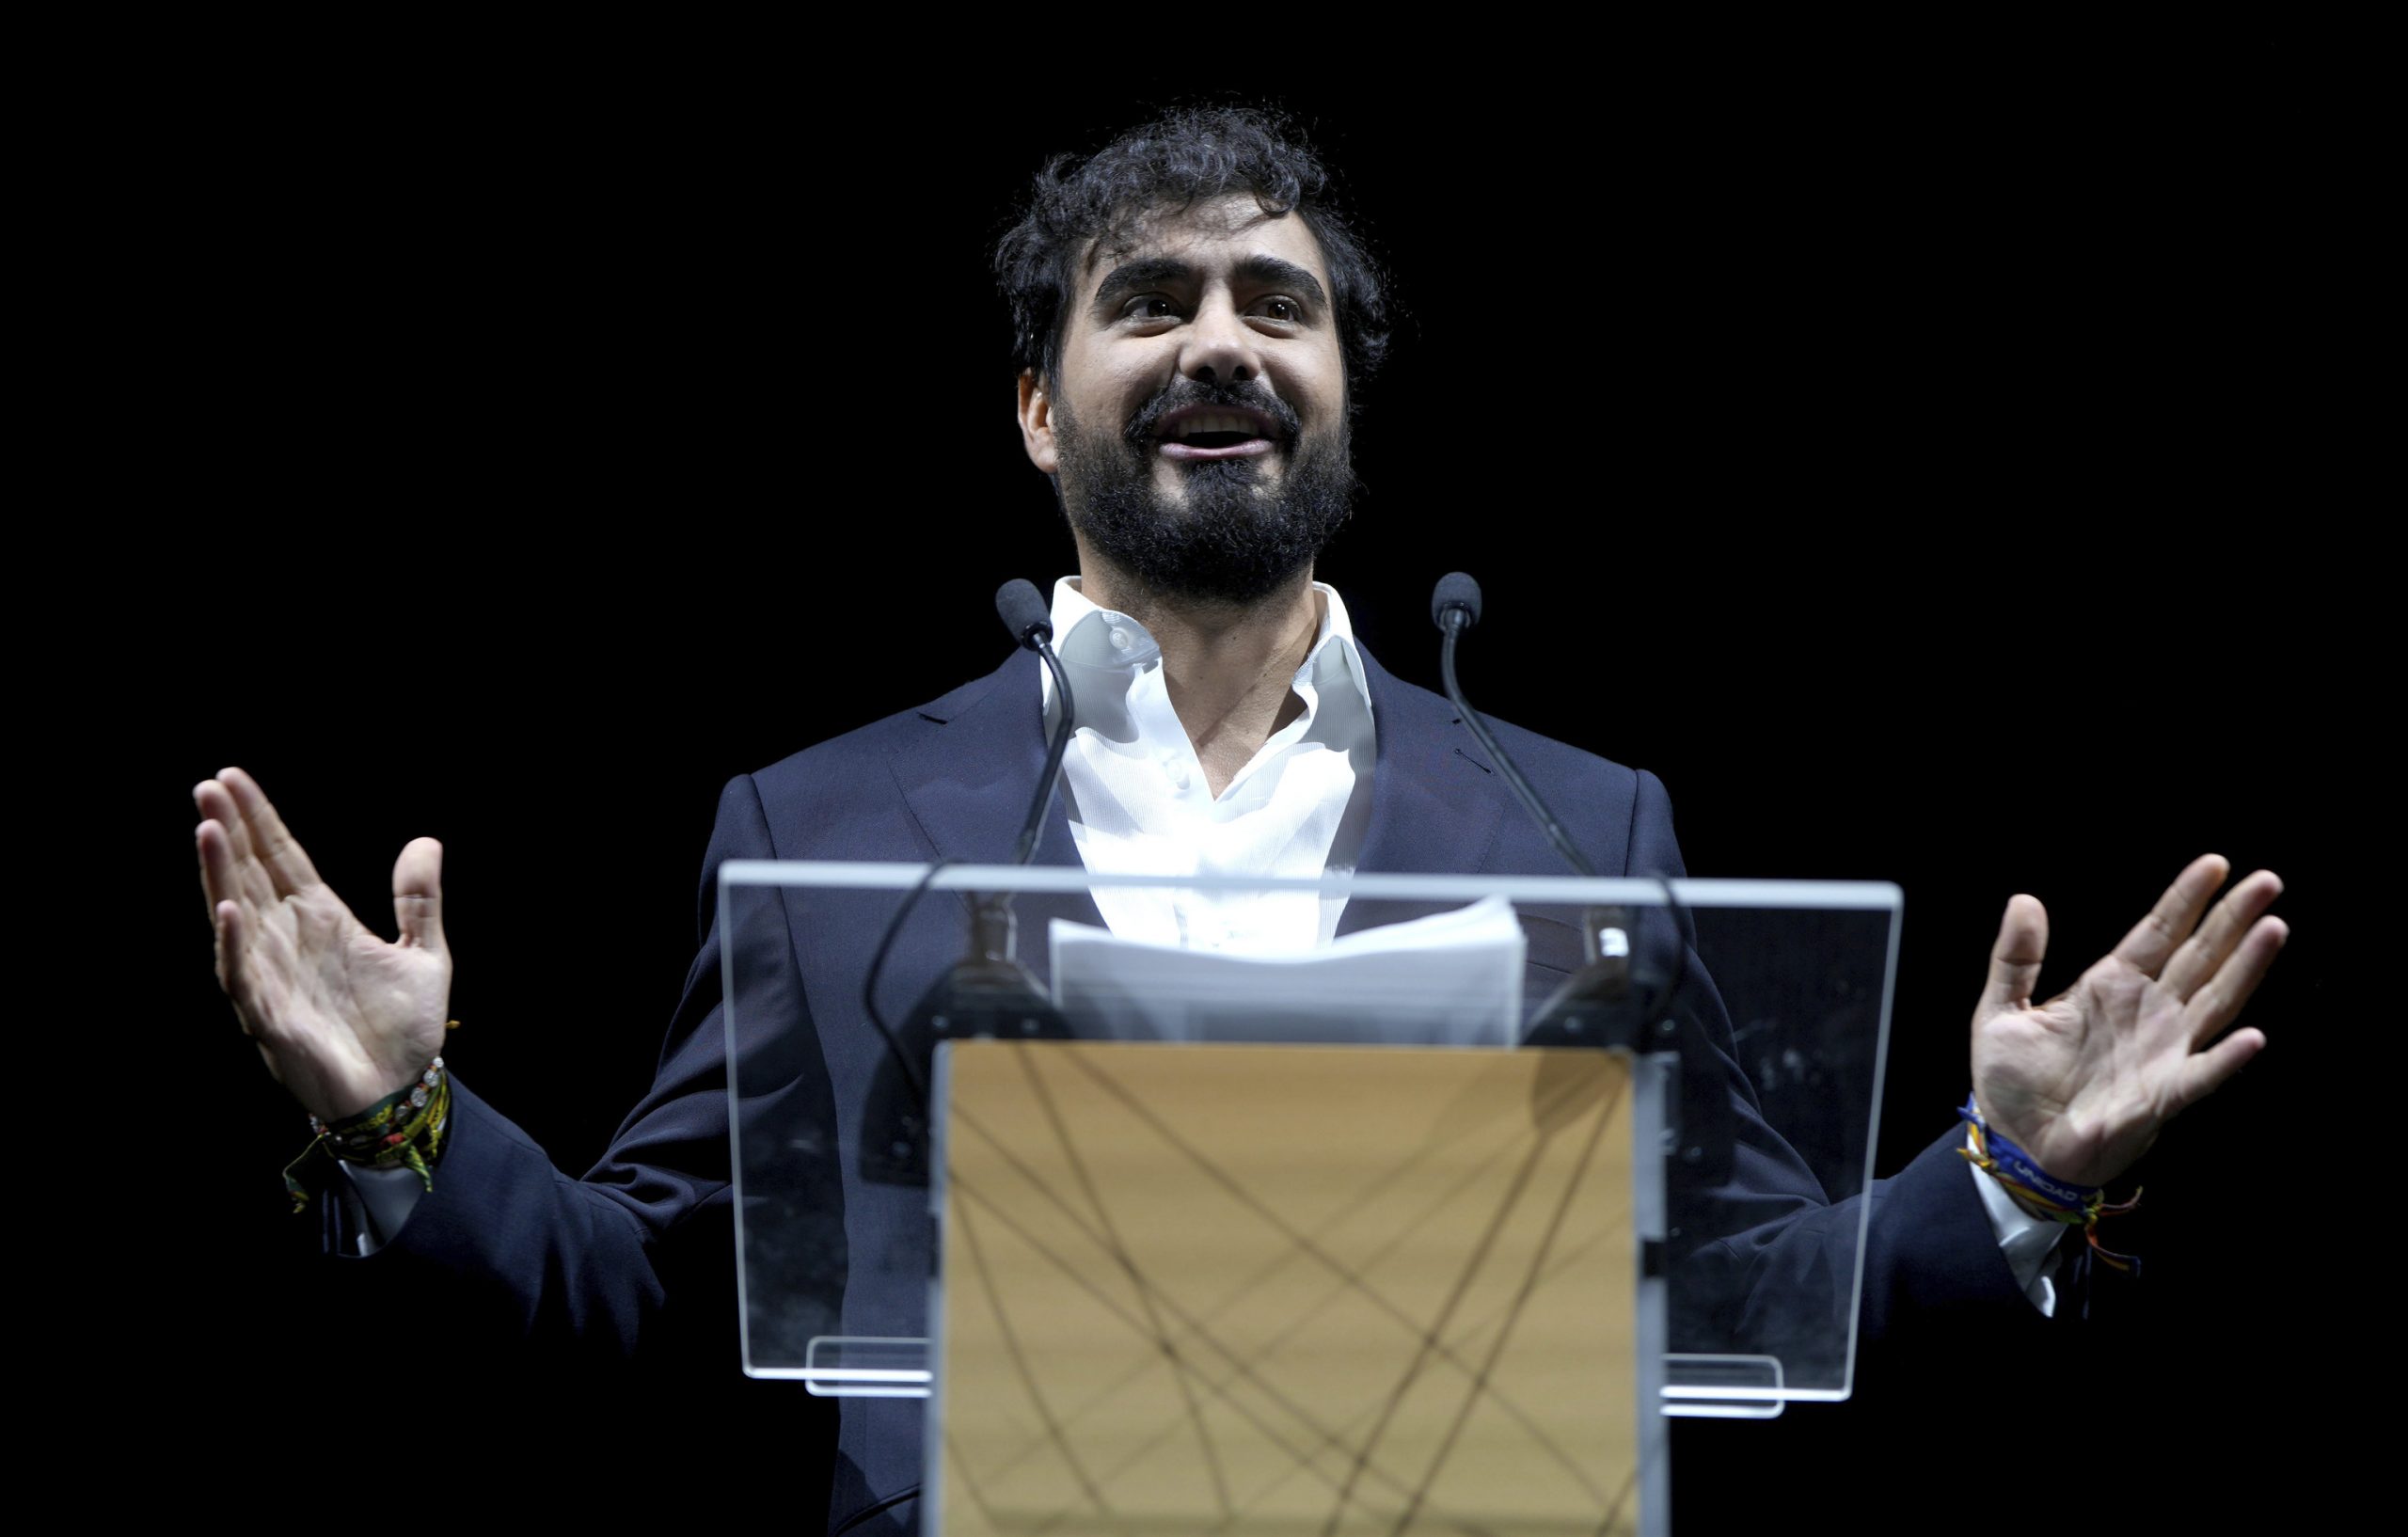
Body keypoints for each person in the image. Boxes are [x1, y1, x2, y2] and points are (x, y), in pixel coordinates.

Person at [193, 107, 2288, 1532]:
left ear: (1342, 397)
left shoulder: (1579, 824)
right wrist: (402, 1123)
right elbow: (641, 1299)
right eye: (1150, 300)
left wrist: (2008, 1173)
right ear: (1039, 408)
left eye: (1276, 306)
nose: (1221, 341)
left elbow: (1745, 1294)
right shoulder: (824, 828)